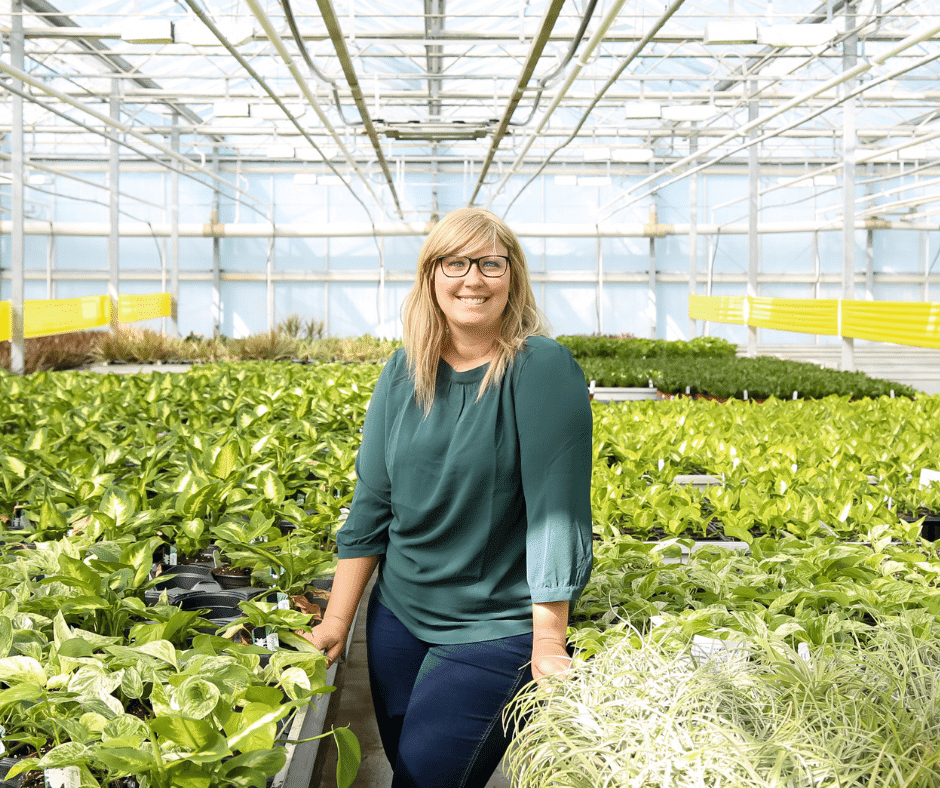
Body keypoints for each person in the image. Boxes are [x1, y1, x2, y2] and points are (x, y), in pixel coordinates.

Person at [303, 207, 593, 788]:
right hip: (399, 618)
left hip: (492, 626)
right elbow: (372, 505)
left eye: (491, 263)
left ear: (513, 277)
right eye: (454, 263)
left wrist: (548, 640)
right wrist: (338, 620)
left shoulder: (540, 367)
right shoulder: (404, 372)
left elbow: (556, 513)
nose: (473, 279)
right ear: (431, 276)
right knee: (406, 768)